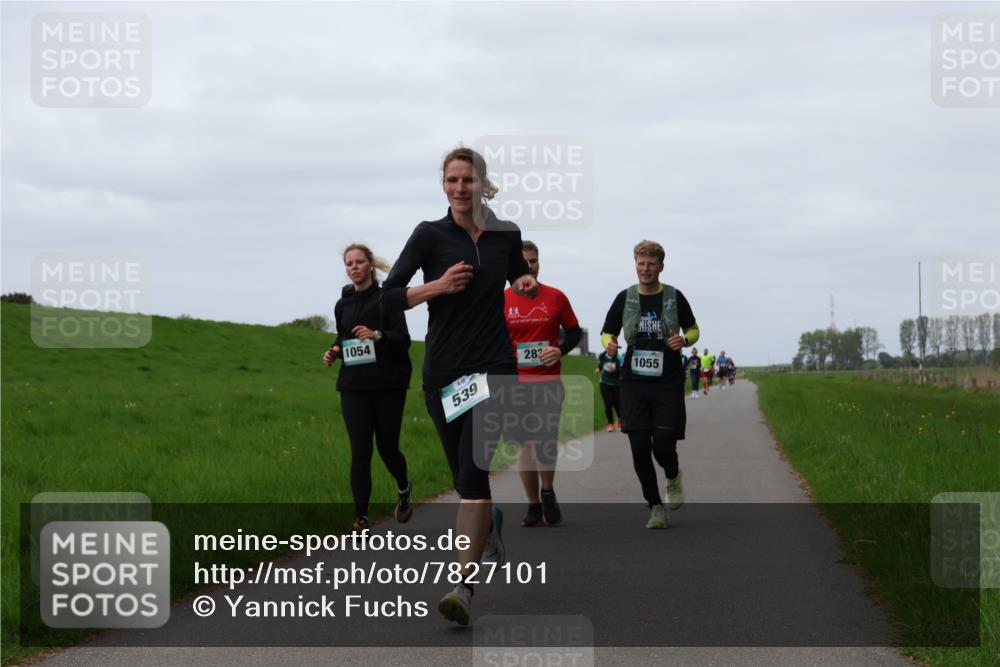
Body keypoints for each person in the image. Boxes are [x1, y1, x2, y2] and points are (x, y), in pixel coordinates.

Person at [380, 146, 538, 625]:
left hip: (494, 367)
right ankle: (489, 522)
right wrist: (438, 286)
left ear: (481, 184)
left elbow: (516, 273)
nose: (460, 188)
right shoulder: (428, 235)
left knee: (472, 474)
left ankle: (462, 588)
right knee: (464, 479)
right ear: (443, 184)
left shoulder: (505, 233)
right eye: (452, 180)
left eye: (467, 180)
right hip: (444, 371)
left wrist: (524, 282)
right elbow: (388, 297)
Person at [600, 240, 700, 529]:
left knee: (664, 445)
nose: (645, 269)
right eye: (641, 263)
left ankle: (672, 473)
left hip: (667, 381)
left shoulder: (674, 296)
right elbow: (607, 332)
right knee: (639, 445)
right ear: (635, 265)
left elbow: (693, 328)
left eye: (651, 264)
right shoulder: (625, 297)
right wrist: (609, 344)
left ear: (661, 267)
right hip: (634, 382)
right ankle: (655, 506)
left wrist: (684, 340)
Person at [323, 244, 413, 533]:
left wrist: (378, 336)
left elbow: (403, 340)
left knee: (387, 447)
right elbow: (343, 337)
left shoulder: (388, 298)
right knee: (360, 450)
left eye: (359, 262)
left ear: (370, 265)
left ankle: (403, 486)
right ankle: (361, 518)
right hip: (354, 385)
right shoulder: (343, 304)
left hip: (388, 383)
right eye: (349, 264)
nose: (354, 267)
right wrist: (334, 351)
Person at [504, 240, 582, 527]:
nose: (529, 266)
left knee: (545, 442)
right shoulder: (501, 300)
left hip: (548, 381)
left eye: (533, 261)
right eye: (523, 261)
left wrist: (560, 350)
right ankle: (533, 504)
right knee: (524, 446)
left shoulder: (556, 296)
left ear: (539, 263)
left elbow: (574, 332)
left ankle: (547, 492)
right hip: (515, 384)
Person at [596, 339, 624, 430]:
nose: (610, 349)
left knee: (617, 404)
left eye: (613, 347)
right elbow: (601, 365)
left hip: (616, 384)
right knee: (608, 404)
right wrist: (598, 369)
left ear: (616, 348)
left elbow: (623, 370)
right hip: (604, 383)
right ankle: (610, 424)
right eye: (609, 346)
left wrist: (616, 369)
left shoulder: (619, 358)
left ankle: (620, 419)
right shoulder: (602, 356)